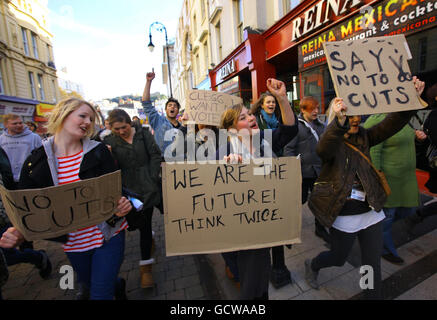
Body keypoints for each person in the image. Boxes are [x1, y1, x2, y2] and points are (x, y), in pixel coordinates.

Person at [0, 97, 133, 300]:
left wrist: (123, 204)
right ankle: (117, 285)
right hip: (74, 244)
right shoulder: (35, 162)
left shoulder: (99, 152)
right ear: (63, 114)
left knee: (99, 295)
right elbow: (26, 208)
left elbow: (116, 193)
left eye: (91, 118)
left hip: (108, 237)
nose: (88, 122)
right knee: (91, 284)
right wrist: (18, 231)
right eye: (82, 116)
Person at [305, 77, 425, 299]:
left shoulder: (366, 136)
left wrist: (411, 99)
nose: (355, 119)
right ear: (338, 116)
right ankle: (313, 264)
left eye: (357, 114)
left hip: (371, 212)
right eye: (349, 115)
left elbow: (392, 123)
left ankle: (372, 296)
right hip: (344, 213)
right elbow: (323, 149)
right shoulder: (330, 141)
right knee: (338, 257)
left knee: (371, 264)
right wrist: (338, 125)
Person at [218, 78, 298, 300]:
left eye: (249, 114)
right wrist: (227, 168)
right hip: (241, 234)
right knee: (250, 284)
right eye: (242, 118)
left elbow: (289, 130)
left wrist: (282, 99)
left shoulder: (264, 139)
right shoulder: (221, 153)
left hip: (266, 223)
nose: (251, 118)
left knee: (259, 282)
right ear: (231, 129)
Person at [104, 108, 162, 289]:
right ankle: (149, 242)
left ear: (129, 123)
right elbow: (108, 168)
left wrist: (152, 177)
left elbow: (155, 155)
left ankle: (146, 268)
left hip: (150, 188)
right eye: (117, 129)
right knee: (138, 225)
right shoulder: (108, 142)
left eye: (124, 127)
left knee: (145, 226)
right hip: (129, 192)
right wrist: (108, 155)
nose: (121, 132)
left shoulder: (143, 135)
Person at [363, 112, 425, 265]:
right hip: (389, 181)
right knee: (388, 217)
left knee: (407, 210)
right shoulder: (376, 120)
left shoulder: (402, 117)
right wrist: (377, 181)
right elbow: (373, 151)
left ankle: (374, 228)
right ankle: (385, 249)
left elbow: (405, 139)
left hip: (405, 180)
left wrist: (416, 137)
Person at [284, 96, 329, 243]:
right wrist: (292, 170)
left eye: (317, 108)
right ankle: (289, 226)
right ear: (303, 110)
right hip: (302, 173)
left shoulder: (322, 126)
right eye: (312, 109)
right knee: (300, 200)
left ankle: (320, 228)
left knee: (320, 201)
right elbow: (288, 149)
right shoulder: (296, 127)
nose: (316, 111)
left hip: (319, 171)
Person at [141, 70, 181, 156]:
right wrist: (148, 81)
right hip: (163, 162)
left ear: (177, 110)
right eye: (169, 105)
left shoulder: (183, 127)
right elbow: (146, 103)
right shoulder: (158, 121)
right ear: (166, 109)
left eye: (175, 106)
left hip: (180, 163)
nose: (172, 107)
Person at [0, 114, 42, 184]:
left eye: (20, 123)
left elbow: (41, 157)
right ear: (6, 125)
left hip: (29, 178)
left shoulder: (34, 137)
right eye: (15, 123)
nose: (19, 125)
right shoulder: (1, 139)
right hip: (7, 179)